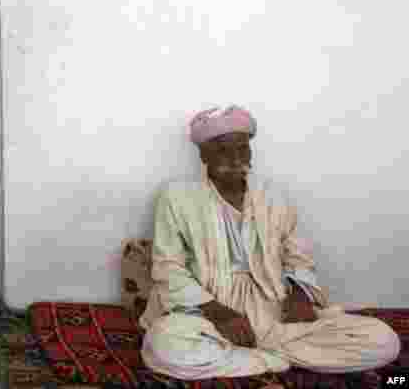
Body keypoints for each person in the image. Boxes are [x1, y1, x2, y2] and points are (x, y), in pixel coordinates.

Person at [139, 106, 400, 379]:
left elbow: (297, 254)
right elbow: (168, 266)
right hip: (207, 312)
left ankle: (245, 355)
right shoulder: (177, 196)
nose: (235, 158)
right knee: (163, 344)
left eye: (242, 149)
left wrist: (300, 294)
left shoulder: (273, 195)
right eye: (222, 150)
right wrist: (219, 314)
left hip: (274, 309)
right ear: (203, 154)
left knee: (383, 340)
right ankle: (273, 358)